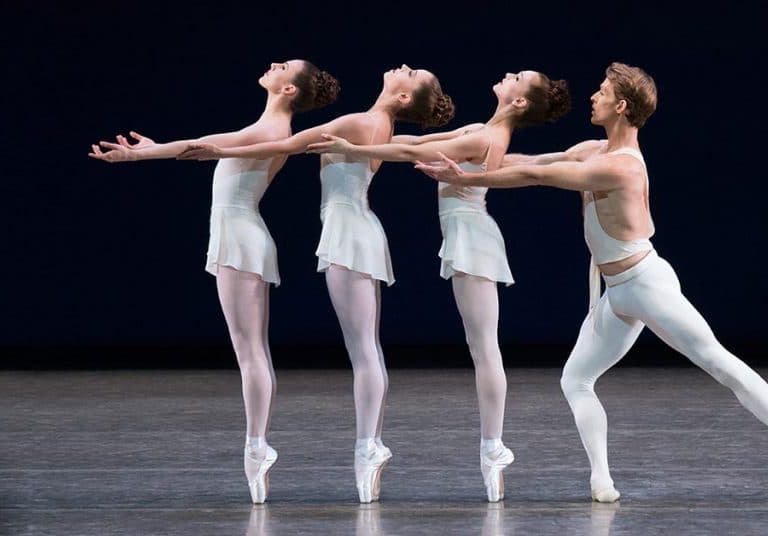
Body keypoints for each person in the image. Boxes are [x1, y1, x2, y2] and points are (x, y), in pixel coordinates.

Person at [416, 62, 768, 503]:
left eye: (602, 92)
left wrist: (468, 178)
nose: (593, 97)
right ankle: (601, 479)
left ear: (621, 106)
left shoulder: (622, 167)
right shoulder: (593, 148)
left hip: (647, 283)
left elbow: (537, 177)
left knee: (719, 363)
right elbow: (532, 160)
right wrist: (473, 153)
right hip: (616, 292)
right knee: (575, 380)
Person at [177, 64, 455, 502]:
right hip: (353, 230)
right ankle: (368, 445)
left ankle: (367, 447)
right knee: (366, 348)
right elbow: (418, 142)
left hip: (349, 234)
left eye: (411, 72)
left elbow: (287, 143)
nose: (402, 67)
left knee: (363, 349)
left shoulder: (360, 123)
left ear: (404, 98)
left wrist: (199, 150)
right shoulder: (374, 124)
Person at [305, 69, 570, 502]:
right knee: (481, 346)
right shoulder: (483, 131)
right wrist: (363, 143)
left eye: (517, 77)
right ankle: (491, 448)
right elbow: (414, 145)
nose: (506, 75)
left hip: (473, 239)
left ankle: (494, 446)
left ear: (520, 102)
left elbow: (412, 149)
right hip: (466, 236)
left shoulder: (483, 138)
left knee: (484, 348)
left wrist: (353, 147)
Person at [88, 60, 340, 503]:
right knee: (253, 351)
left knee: (250, 353)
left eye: (284, 67)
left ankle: (257, 446)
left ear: (288, 90)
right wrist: (154, 147)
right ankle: (258, 446)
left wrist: (139, 154)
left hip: (241, 241)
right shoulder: (267, 127)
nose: (273, 65)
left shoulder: (269, 132)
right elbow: (203, 146)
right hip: (242, 238)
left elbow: (199, 146)